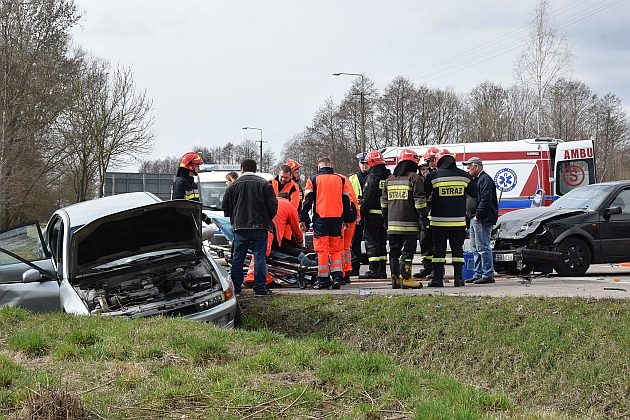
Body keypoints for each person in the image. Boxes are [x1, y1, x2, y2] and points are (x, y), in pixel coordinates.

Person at [222, 159, 278, 295]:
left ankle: (236, 287)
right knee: (259, 257)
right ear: (255, 169)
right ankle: (260, 287)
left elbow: (225, 207)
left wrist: (234, 218)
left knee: (238, 257)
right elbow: (273, 206)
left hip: (240, 227)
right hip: (260, 227)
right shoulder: (264, 184)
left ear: (241, 169)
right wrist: (266, 218)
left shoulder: (233, 186)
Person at [424, 149, 477, 288]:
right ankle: (459, 279)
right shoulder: (465, 176)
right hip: (458, 221)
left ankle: (437, 279)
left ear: (439, 161)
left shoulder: (433, 176)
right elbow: (474, 193)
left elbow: (424, 195)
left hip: (438, 222)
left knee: (438, 252)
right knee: (457, 251)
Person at [299, 157, 352, 290]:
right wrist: (346, 219)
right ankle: (337, 276)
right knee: (336, 249)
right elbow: (346, 201)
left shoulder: (313, 180)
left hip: (321, 219)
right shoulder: (341, 180)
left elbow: (307, 201)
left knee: (322, 250)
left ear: (319, 167)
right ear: (331, 166)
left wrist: (303, 218)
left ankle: (323, 279)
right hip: (337, 219)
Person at [381, 149, 428, 289]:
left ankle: (395, 279)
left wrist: (385, 219)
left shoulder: (390, 179)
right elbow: (420, 201)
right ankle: (406, 279)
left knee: (394, 252)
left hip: (392, 224)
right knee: (408, 252)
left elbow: (383, 202)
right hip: (409, 224)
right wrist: (424, 218)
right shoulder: (415, 178)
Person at [463, 157, 498, 284]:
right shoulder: (476, 180)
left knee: (483, 247)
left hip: (481, 219)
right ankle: (478, 273)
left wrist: (478, 215)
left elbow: (486, 199)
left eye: (469, 167)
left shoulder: (485, 180)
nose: (467, 170)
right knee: (474, 247)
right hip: (473, 218)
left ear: (476, 166)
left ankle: (488, 273)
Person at [358, 150, 390, 279]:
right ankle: (382, 270)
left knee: (372, 243)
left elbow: (368, 199)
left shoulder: (372, 177)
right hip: (385, 215)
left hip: (371, 216)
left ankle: (373, 270)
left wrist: (361, 213)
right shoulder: (388, 176)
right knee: (382, 243)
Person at [413, 147, 440, 279]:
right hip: (422, 216)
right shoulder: (418, 181)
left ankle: (435, 270)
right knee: (424, 242)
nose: (424, 172)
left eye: (426, 169)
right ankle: (426, 267)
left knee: (435, 243)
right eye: (422, 169)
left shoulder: (435, 177)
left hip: (434, 215)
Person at [172, 151, 211, 225]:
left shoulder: (192, 183)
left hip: (191, 223)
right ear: (191, 166)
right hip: (183, 224)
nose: (199, 168)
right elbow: (178, 206)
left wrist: (207, 220)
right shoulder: (180, 183)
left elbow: (195, 207)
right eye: (197, 165)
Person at [348, 153, 370, 275]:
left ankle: (373, 267)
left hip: (369, 214)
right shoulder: (352, 178)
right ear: (359, 164)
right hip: (356, 214)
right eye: (362, 163)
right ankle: (354, 267)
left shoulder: (373, 177)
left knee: (370, 241)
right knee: (354, 242)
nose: (365, 166)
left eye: (367, 163)